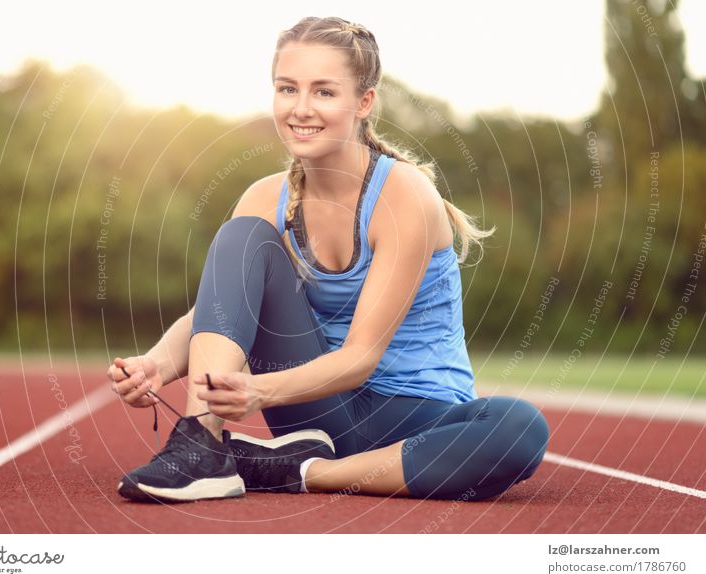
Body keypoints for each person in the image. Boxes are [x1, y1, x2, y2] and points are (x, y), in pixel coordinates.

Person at [107, 15, 549, 503]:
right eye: (286, 89)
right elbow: (217, 314)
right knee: (242, 236)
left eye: (323, 92)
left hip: (415, 420)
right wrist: (157, 364)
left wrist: (260, 393)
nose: (300, 109)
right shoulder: (262, 199)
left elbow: (360, 358)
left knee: (519, 427)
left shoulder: (403, 196)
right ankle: (199, 448)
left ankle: (297, 470)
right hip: (317, 412)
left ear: (363, 102)